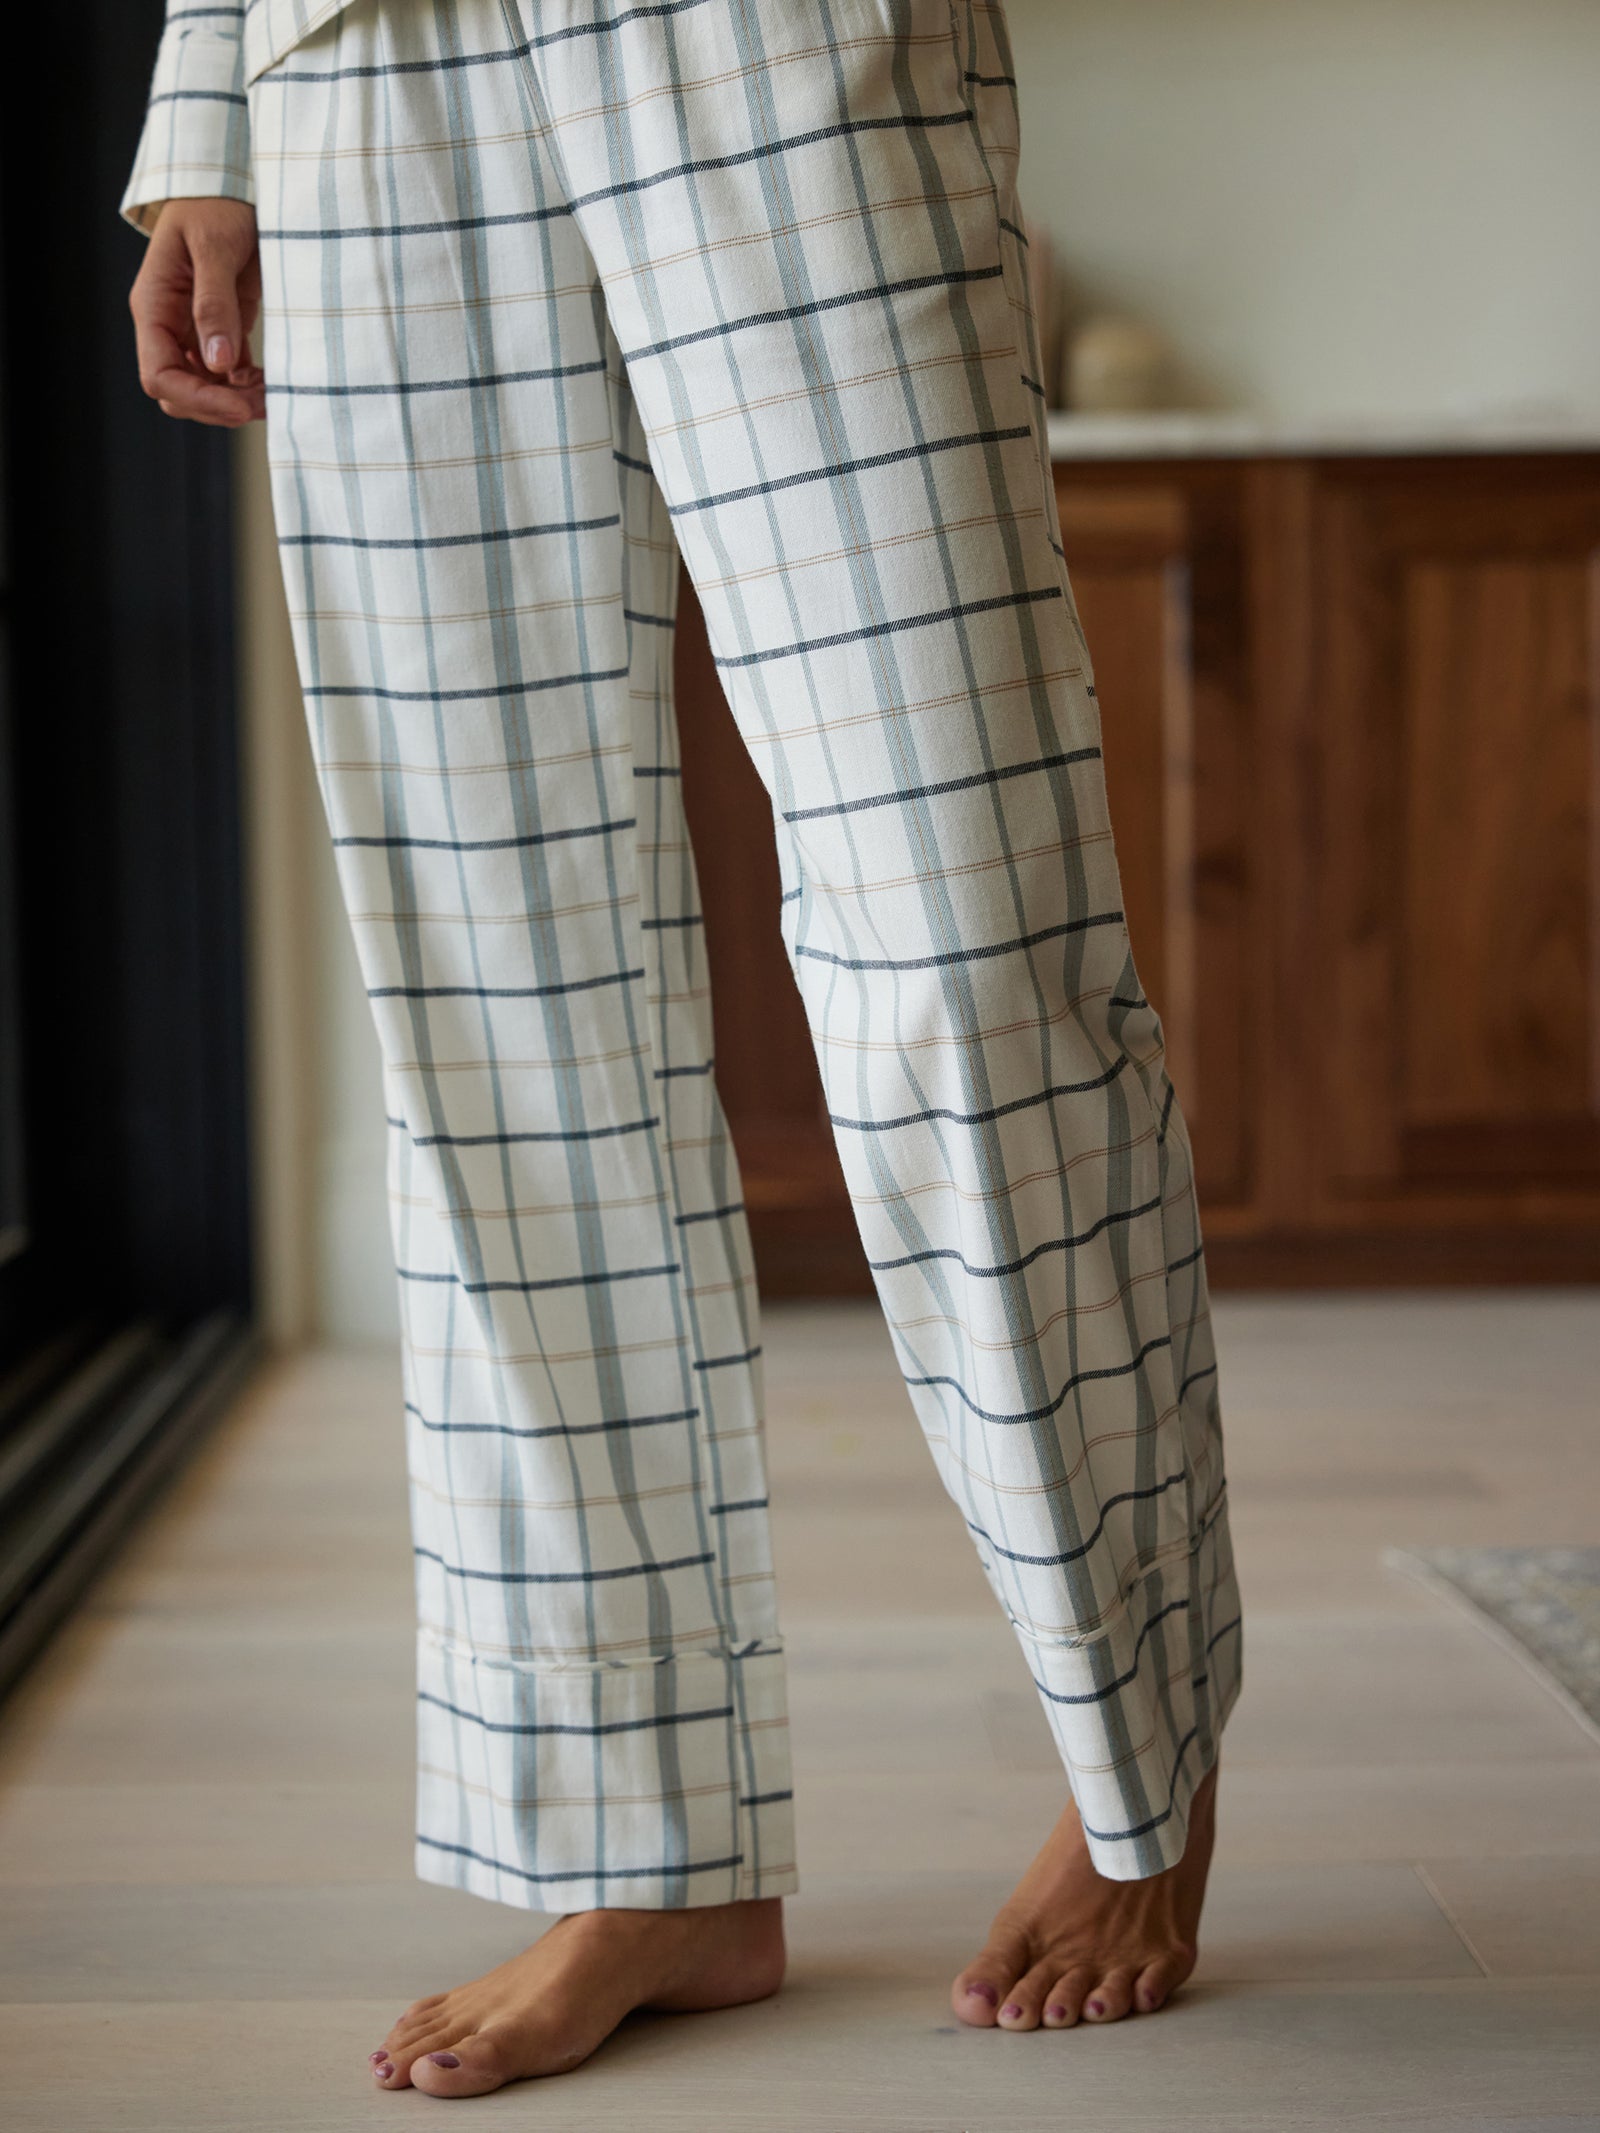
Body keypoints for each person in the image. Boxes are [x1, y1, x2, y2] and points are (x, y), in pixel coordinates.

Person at [125, 0, 1241, 2099]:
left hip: (766, 39)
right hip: (367, 72)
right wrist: (206, 112)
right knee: (498, 999)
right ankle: (651, 1850)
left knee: (966, 946)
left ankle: (1140, 1758)